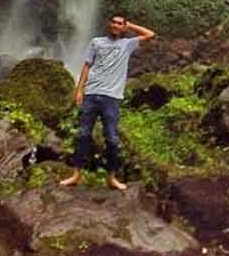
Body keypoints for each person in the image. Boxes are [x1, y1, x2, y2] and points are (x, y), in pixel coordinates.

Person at [59, 13, 156, 190]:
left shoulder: (127, 44)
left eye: (120, 24)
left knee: (112, 139)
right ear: (108, 24)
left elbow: (150, 34)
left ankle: (111, 177)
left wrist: (130, 25)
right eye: (114, 22)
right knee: (82, 135)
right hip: (91, 94)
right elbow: (86, 66)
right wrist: (79, 89)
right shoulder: (96, 42)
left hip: (112, 98)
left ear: (123, 27)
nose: (116, 25)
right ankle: (75, 175)